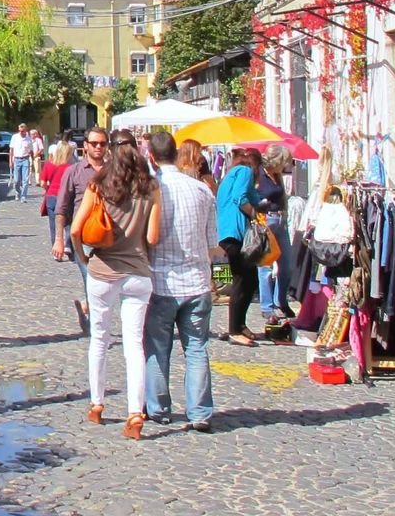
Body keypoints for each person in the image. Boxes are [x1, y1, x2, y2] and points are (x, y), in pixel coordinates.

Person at [72, 130, 161, 439]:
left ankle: (97, 404)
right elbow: (152, 238)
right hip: (138, 271)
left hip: (103, 269)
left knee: (100, 338)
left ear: (109, 151)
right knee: (134, 344)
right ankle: (135, 412)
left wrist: (84, 258)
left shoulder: (98, 185)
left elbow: (75, 229)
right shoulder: (151, 188)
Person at [143, 132, 219, 432]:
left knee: (157, 348)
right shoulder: (201, 190)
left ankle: (158, 408)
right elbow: (213, 244)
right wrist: (217, 279)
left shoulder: (151, 190)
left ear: (151, 157)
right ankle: (199, 412)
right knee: (197, 348)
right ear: (176, 154)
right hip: (197, 281)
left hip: (161, 281)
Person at [52, 127, 109, 333]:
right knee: (91, 281)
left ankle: (89, 310)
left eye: (102, 143)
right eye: (94, 143)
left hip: (111, 238)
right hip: (83, 238)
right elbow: (62, 208)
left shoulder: (113, 170)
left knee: (106, 286)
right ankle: (96, 329)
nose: (98, 147)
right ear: (85, 146)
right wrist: (59, 239)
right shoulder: (74, 171)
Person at [216, 147, 265, 346]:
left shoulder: (232, 174)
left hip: (227, 232)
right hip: (234, 233)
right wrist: (255, 216)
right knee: (242, 280)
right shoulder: (244, 171)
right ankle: (234, 330)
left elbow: (251, 197)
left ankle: (240, 324)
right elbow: (240, 198)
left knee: (250, 279)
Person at [255, 145, 296, 325]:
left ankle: (281, 301)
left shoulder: (277, 176)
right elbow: (252, 196)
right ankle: (267, 306)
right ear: (276, 161)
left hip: (280, 220)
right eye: (284, 162)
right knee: (266, 266)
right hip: (267, 220)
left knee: (286, 265)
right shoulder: (259, 174)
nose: (286, 165)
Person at [39, 141, 74, 245]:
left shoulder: (48, 164)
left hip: (51, 196)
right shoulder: (70, 167)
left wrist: (48, 188)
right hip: (65, 197)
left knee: (53, 225)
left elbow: (42, 183)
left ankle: (55, 247)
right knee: (67, 224)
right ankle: (68, 246)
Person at [9, 123, 35, 203]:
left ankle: (23, 196)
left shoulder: (28, 139)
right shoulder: (15, 137)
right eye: (19, 131)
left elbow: (31, 151)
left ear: (26, 130)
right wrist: (10, 161)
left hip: (25, 159)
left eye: (22, 131)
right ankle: (18, 192)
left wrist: (32, 160)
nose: (21, 132)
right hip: (16, 159)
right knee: (16, 180)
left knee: (25, 180)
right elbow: (11, 150)